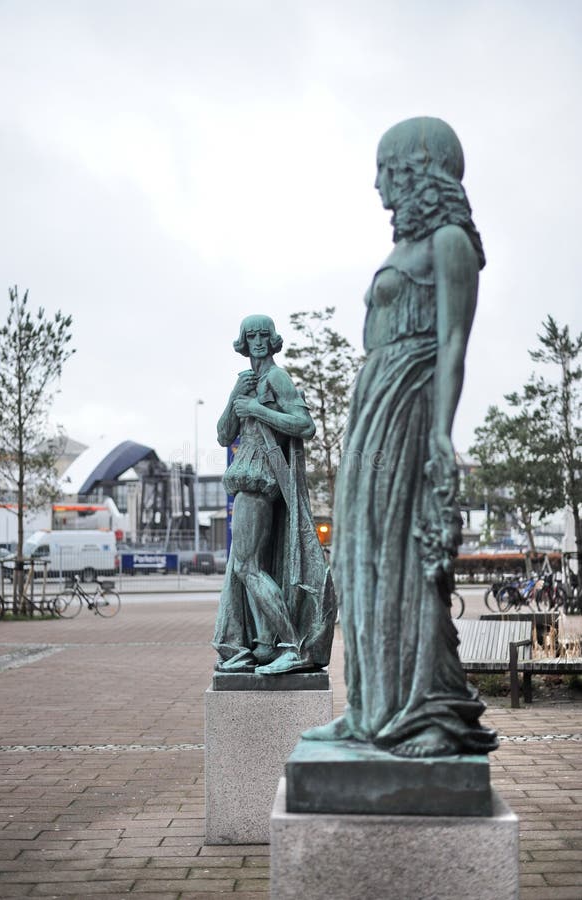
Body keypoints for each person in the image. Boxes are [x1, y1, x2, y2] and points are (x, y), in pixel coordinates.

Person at [304, 117, 497, 757]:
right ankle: (367, 711)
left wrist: (441, 431)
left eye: (386, 170)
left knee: (402, 557)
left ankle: (424, 714)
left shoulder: (450, 243)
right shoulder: (405, 247)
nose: (378, 184)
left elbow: (454, 341)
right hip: (373, 408)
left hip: (410, 407)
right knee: (357, 557)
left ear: (418, 171)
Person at [213, 314, 335, 675]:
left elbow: (305, 425)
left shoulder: (277, 378)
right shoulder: (246, 382)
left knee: (246, 567)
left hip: (260, 481)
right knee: (248, 567)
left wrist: (257, 409)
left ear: (272, 339)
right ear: (243, 342)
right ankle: (262, 646)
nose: (257, 341)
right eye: (250, 336)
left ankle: (292, 645)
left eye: (263, 335)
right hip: (247, 480)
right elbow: (224, 435)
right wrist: (236, 397)